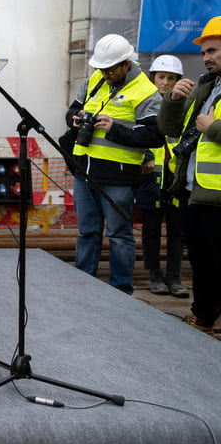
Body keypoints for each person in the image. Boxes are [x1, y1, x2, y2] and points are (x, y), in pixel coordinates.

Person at [67, 34, 163, 295]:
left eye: (110, 69)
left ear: (125, 64)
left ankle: (121, 292)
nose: (105, 74)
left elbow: (155, 136)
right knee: (87, 232)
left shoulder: (146, 92)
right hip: (84, 172)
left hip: (118, 178)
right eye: (101, 69)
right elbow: (72, 110)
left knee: (119, 236)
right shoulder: (95, 79)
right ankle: (82, 286)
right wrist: (74, 119)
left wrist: (114, 129)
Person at [159, 16, 221, 336]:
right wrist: (173, 100)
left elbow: (210, 130)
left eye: (212, 50)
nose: (205, 57)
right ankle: (203, 316)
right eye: (204, 52)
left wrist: (214, 128)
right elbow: (169, 129)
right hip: (193, 191)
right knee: (200, 260)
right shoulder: (205, 85)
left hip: (218, 196)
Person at [136, 55, 188, 298]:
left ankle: (174, 277)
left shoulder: (185, 105)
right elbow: (136, 131)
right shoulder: (145, 102)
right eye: (161, 77)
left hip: (176, 177)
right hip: (151, 176)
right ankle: (155, 275)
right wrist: (146, 153)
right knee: (152, 228)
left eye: (171, 78)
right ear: (152, 78)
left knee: (177, 229)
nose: (165, 83)